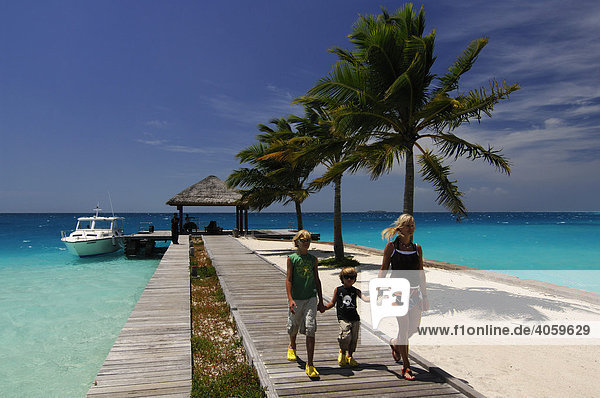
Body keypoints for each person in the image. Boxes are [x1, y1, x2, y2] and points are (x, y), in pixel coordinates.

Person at [378, 213, 428, 380]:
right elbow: (383, 270)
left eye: (412, 225)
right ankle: (406, 367)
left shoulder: (417, 248)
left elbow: (421, 273)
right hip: (397, 293)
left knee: (413, 328)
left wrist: (425, 295)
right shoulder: (391, 247)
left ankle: (395, 343)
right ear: (400, 228)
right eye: (407, 225)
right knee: (404, 329)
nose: (411, 228)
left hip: (414, 293)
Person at [286, 230, 325, 379]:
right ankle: (292, 345)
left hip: (310, 298)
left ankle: (310, 364)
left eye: (308, 240)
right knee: (294, 325)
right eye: (303, 240)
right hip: (297, 298)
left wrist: (321, 301)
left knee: (310, 328)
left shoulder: (313, 259)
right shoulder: (292, 259)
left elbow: (317, 279)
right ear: (297, 242)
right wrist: (290, 299)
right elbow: (288, 279)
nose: (306, 243)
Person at [322, 266, 369, 367]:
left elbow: (365, 299)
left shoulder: (356, 291)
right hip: (343, 317)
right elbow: (332, 303)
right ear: (342, 278)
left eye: (352, 277)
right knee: (345, 337)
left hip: (355, 318)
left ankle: (350, 356)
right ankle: (342, 352)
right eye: (346, 277)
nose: (349, 279)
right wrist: (324, 308)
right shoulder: (338, 290)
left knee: (353, 338)